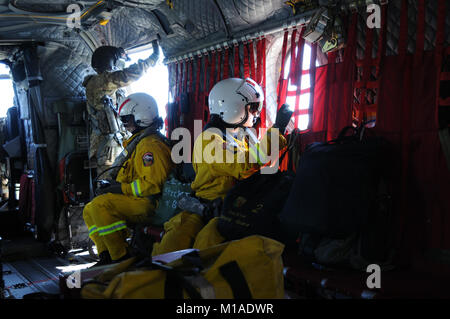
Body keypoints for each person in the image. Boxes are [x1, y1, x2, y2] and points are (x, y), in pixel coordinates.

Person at [151, 77, 293, 256]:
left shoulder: (242, 136)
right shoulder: (210, 139)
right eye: (253, 107)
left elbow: (258, 163)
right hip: (208, 207)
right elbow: (241, 166)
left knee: (216, 243)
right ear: (234, 107)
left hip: (235, 207)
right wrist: (277, 130)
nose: (257, 113)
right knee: (179, 242)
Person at [83, 93, 174, 265]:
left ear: (142, 117)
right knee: (89, 209)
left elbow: (153, 185)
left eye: (127, 119)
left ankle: (121, 257)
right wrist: (114, 185)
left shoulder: (149, 146)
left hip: (149, 203)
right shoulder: (137, 142)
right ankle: (106, 254)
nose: (124, 124)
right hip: (135, 199)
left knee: (101, 205)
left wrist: (119, 189)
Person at [83, 40, 160, 178]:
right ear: (109, 64)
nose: (114, 69)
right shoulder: (99, 83)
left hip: (113, 142)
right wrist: (152, 59)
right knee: (107, 183)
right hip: (107, 146)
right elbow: (127, 75)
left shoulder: (105, 85)